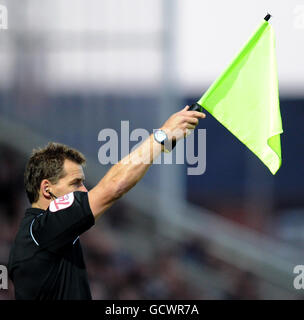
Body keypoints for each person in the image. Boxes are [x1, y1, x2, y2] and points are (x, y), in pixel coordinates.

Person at [8, 105, 206, 300]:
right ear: (46, 189)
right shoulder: (41, 231)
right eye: (75, 183)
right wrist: (161, 137)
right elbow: (113, 188)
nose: (84, 191)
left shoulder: (46, 234)